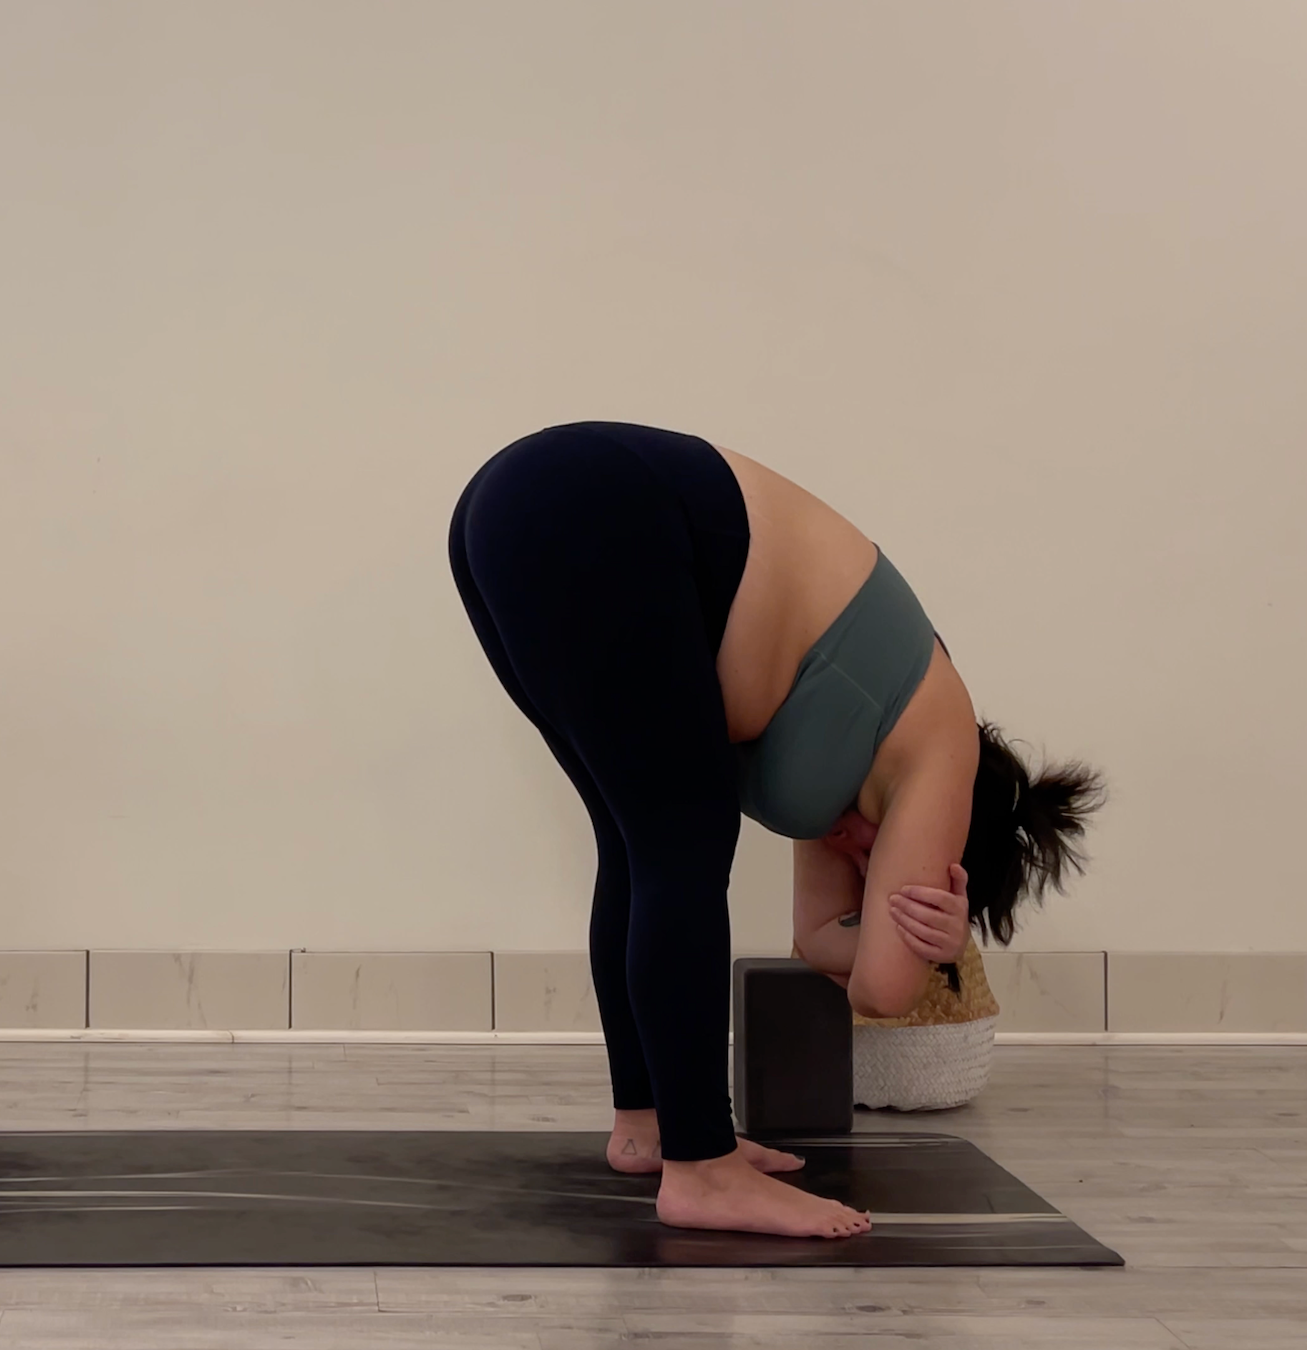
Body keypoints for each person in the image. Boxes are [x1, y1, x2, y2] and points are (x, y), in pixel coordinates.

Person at [448, 422, 1104, 1238]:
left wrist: (929, 937)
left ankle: (651, 1125)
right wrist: (928, 943)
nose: (874, 865)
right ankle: (704, 1172)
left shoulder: (861, 750)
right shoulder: (945, 750)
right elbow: (880, 987)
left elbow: (820, 943)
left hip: (518, 504)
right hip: (595, 506)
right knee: (678, 845)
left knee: (640, 842)